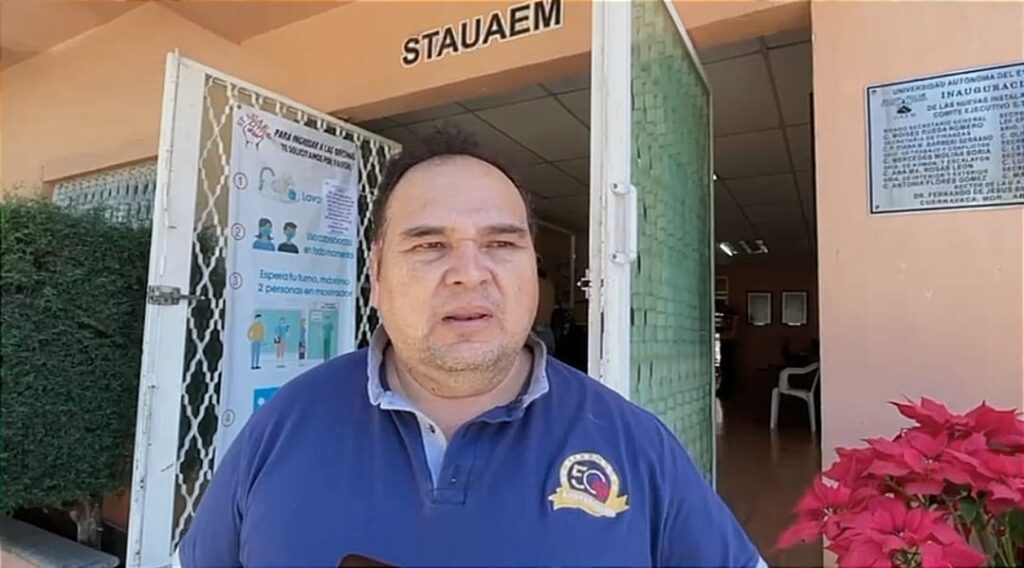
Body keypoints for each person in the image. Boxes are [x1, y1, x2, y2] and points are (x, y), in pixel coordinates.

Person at [178, 129, 764, 567]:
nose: (469, 273)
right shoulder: (283, 424)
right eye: (429, 245)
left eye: (501, 244)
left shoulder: (636, 444)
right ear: (377, 276)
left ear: (532, 270)